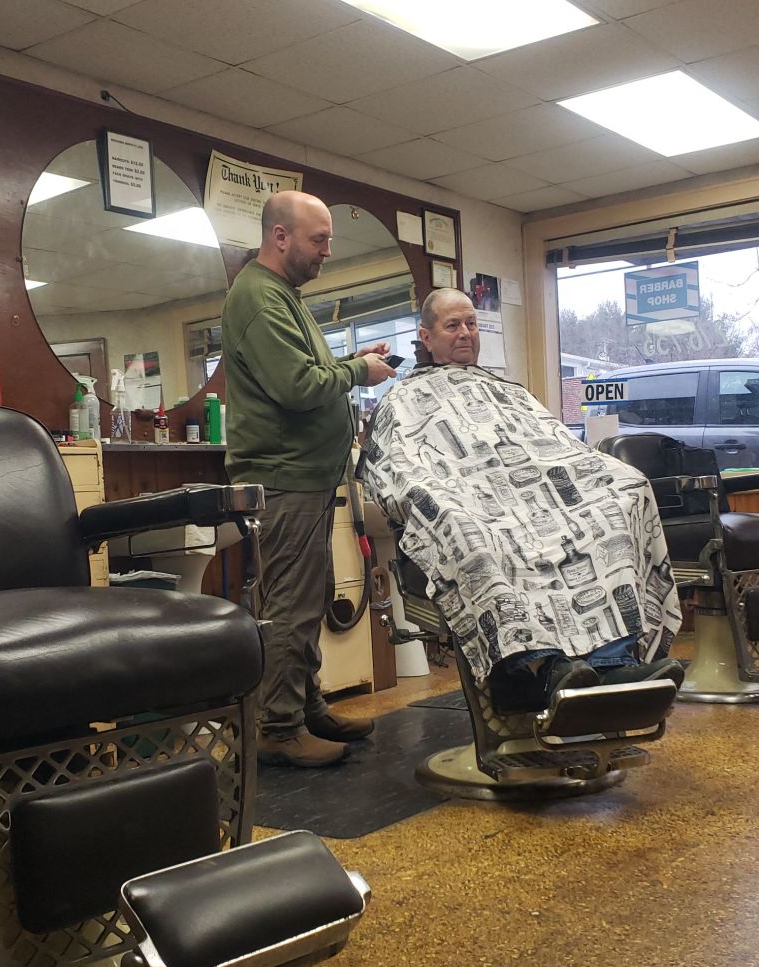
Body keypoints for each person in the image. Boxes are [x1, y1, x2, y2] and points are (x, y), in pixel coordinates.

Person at [362, 288, 683, 710]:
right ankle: (546, 668)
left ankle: (614, 662)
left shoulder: (509, 392)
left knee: (613, 505)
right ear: (426, 335)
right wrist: (453, 497)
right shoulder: (401, 401)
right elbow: (397, 473)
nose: (465, 333)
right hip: (473, 511)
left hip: (537, 509)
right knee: (478, 535)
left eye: (471, 323)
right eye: (452, 325)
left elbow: (555, 450)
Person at [221, 191, 396, 767]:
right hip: (284, 475)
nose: (326, 251)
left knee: (310, 597)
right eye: (318, 239)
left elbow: (310, 371)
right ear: (281, 237)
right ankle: (278, 727)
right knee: (291, 604)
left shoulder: (283, 296)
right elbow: (298, 387)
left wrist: (352, 361)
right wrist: (359, 370)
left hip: (305, 474)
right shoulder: (258, 297)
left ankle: (306, 706)